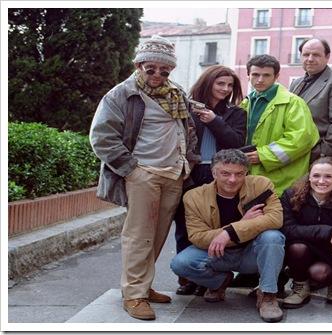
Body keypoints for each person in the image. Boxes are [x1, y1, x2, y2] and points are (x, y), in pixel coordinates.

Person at [89, 35, 198, 320]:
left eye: (165, 70)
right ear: (138, 65)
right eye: (151, 68)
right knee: (139, 236)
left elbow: (187, 129)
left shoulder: (176, 93)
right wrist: (131, 169)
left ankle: (143, 286)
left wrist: (189, 160)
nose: (158, 75)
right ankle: (134, 295)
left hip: (174, 173)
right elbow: (101, 137)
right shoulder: (121, 95)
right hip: (143, 173)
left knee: (159, 234)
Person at [170, 149, 286, 323]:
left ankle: (268, 295)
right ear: (213, 172)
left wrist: (230, 231)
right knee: (180, 263)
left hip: (251, 253)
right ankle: (219, 282)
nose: (232, 180)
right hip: (218, 253)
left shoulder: (261, 185)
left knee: (273, 237)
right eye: (225, 173)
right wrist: (235, 228)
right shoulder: (193, 196)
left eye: (239, 174)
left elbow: (275, 219)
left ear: (246, 172)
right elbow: (197, 236)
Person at [173, 65, 247, 296]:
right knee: (185, 226)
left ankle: (210, 277)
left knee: (215, 225)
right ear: (208, 83)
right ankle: (188, 278)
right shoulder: (187, 108)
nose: (225, 89)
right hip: (190, 173)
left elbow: (234, 142)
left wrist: (215, 120)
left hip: (221, 176)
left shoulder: (236, 113)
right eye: (220, 84)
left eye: (230, 85)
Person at [280, 157, 332, 309]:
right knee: (297, 248)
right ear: (309, 176)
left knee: (319, 273)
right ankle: (300, 287)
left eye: (328, 176)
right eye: (316, 175)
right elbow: (287, 229)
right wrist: (327, 232)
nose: (321, 181)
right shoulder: (291, 196)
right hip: (304, 250)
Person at [240, 54, 319, 196]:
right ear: (248, 75)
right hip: (251, 177)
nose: (260, 80)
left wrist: (263, 155)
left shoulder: (293, 102)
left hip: (283, 182)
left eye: (266, 75)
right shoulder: (246, 103)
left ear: (276, 76)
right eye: (255, 74)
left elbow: (302, 139)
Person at [289, 38, 332, 161]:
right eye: (306, 54)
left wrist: (322, 155)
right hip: (294, 153)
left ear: (327, 57)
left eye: (316, 55)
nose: (310, 59)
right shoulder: (296, 83)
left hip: (318, 157)